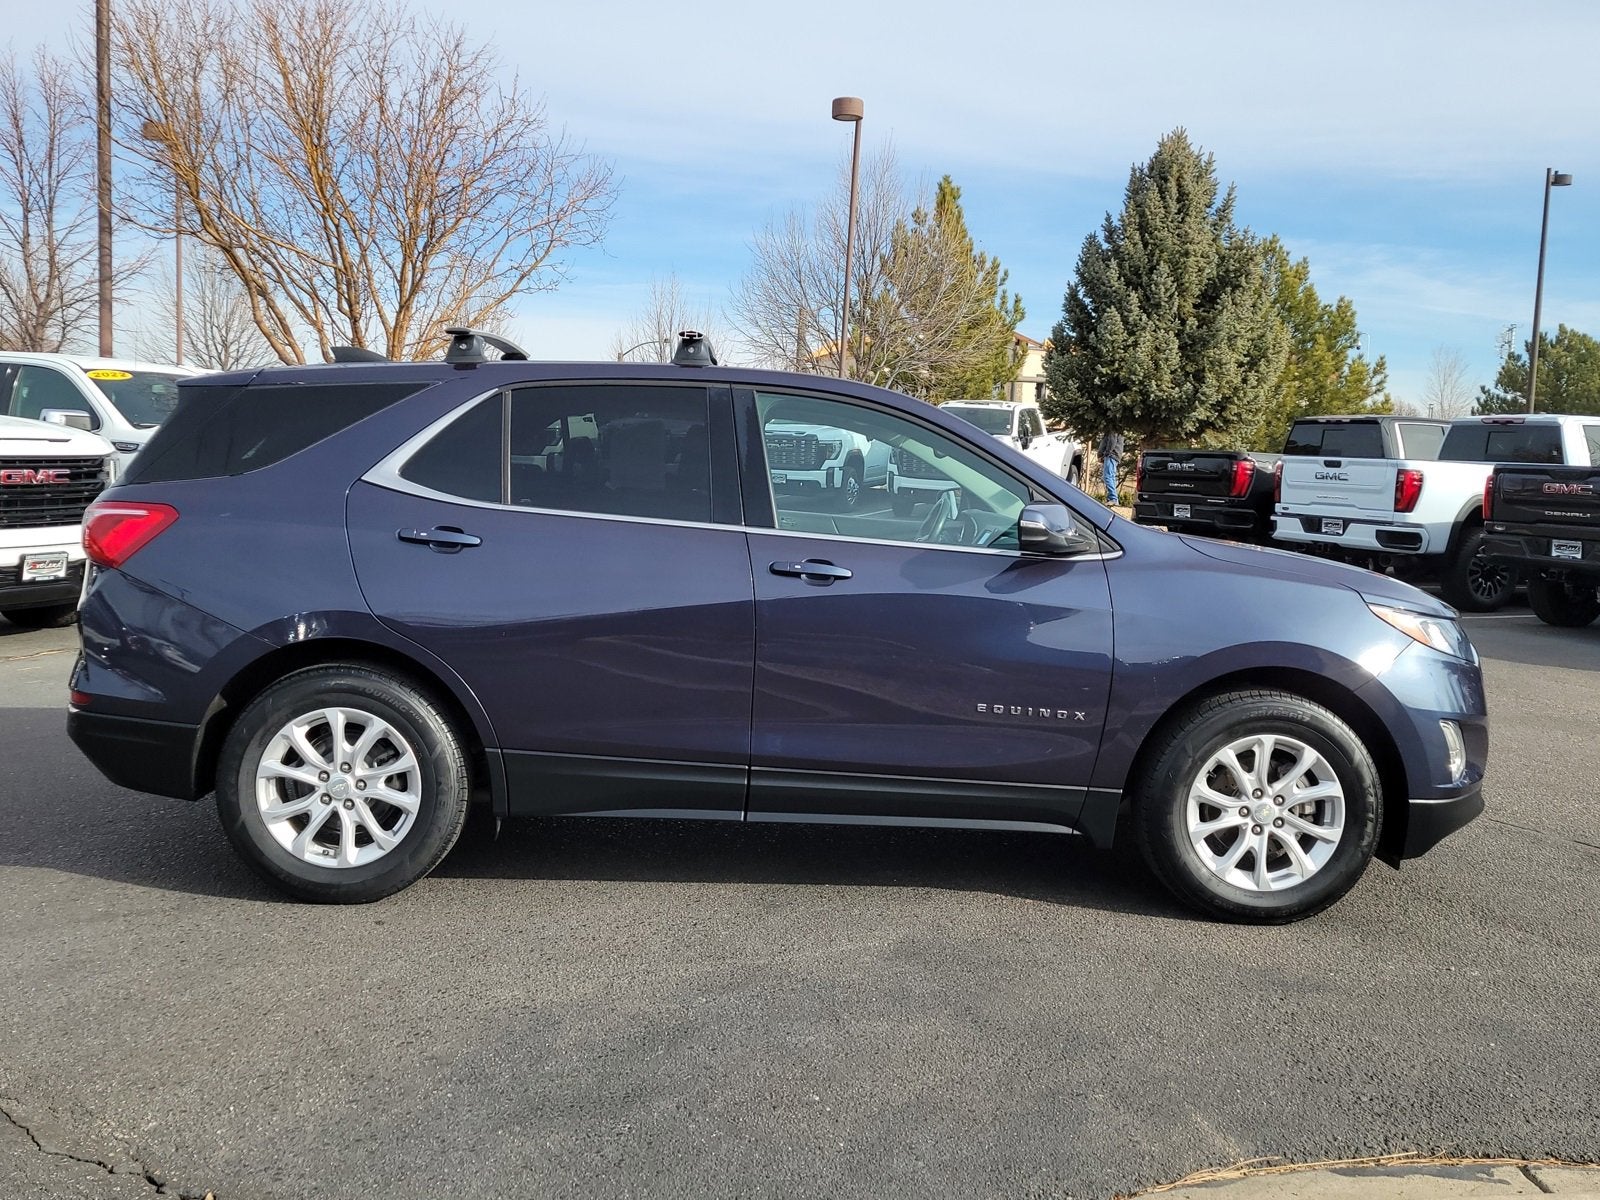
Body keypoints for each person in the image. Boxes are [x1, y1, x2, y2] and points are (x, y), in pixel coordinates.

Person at [1097, 430, 1125, 504]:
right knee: (1111, 477)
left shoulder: (1113, 428)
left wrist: (1106, 454)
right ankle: (1113, 499)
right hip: (1113, 455)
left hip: (1111, 455)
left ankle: (1113, 498)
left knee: (1108, 476)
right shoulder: (1116, 429)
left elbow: (1112, 441)